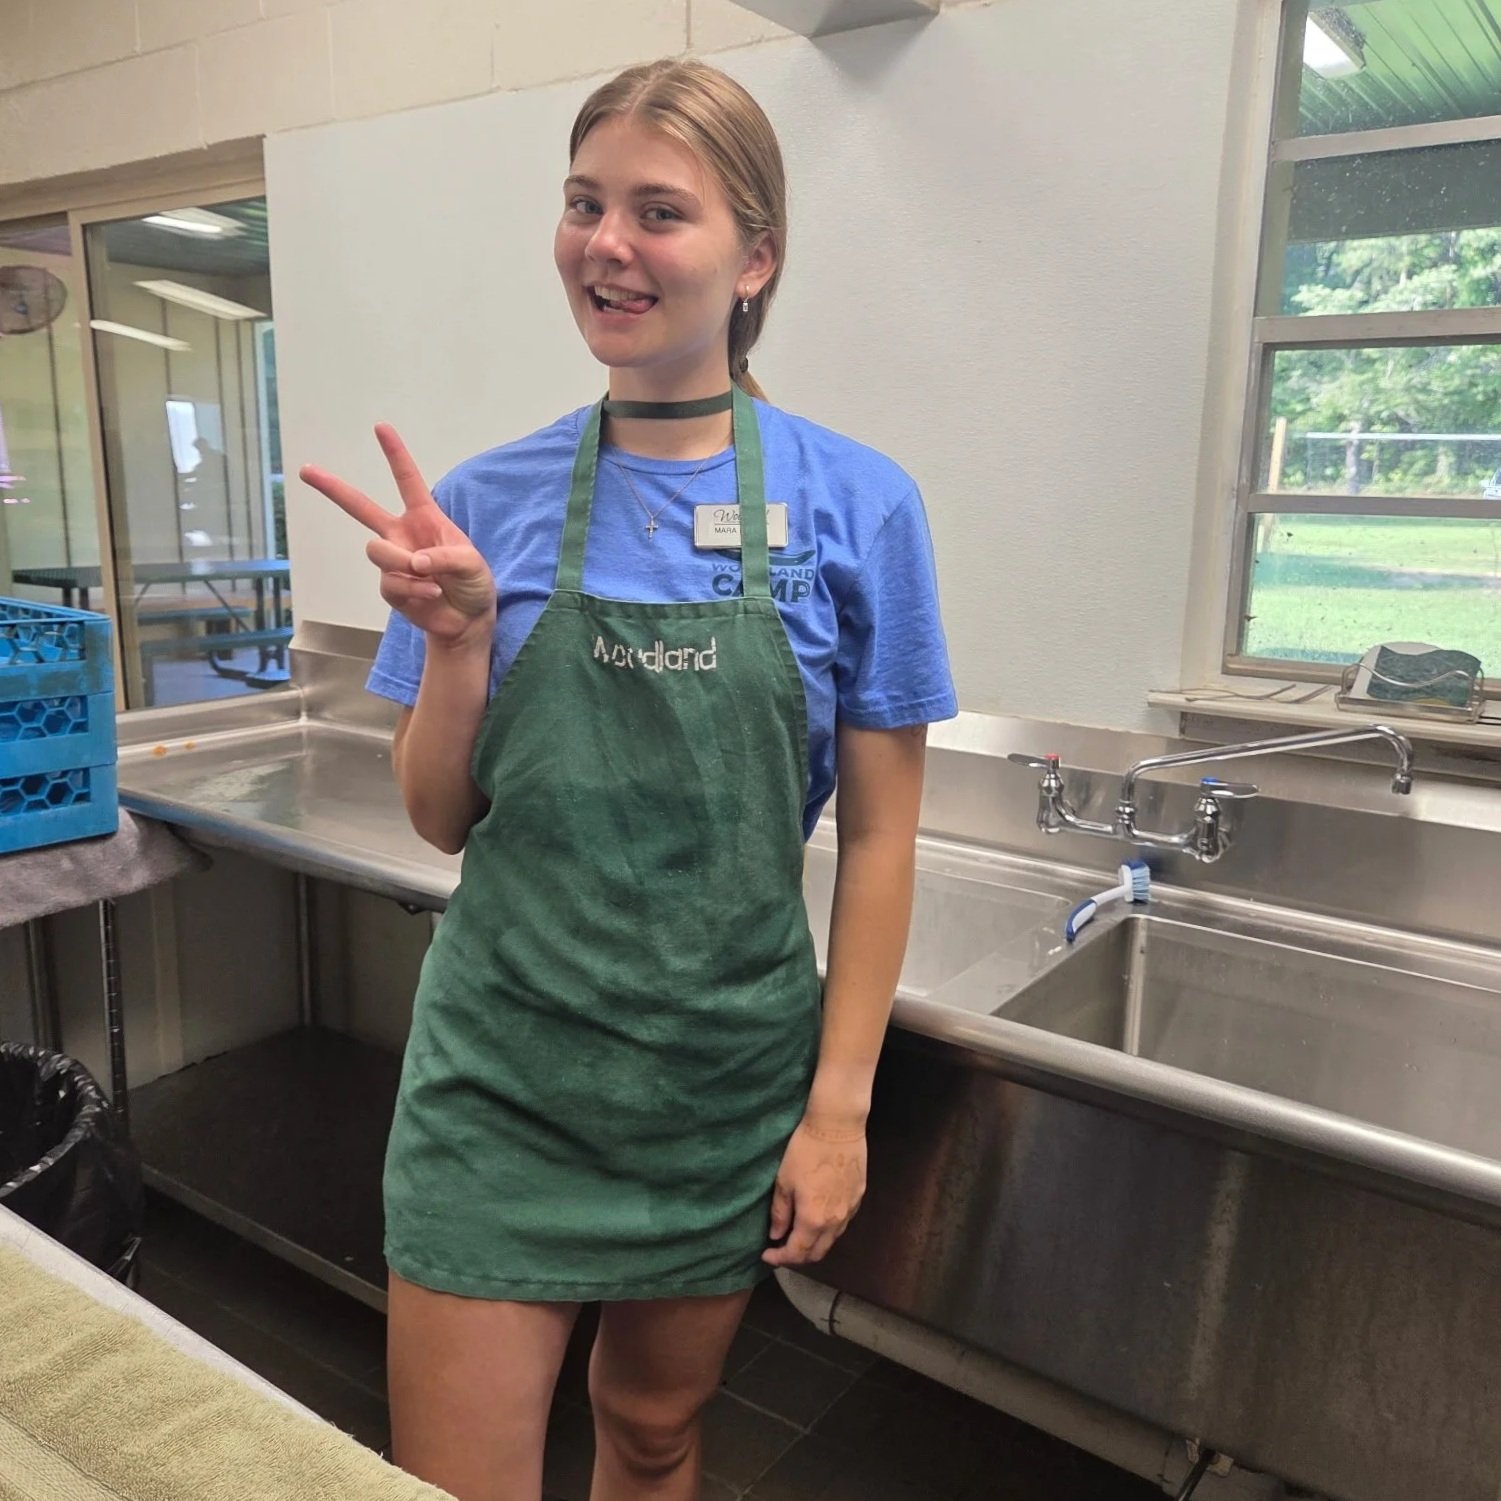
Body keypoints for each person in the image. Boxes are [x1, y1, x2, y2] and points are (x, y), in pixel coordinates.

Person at [300, 57, 956, 1501]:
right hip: (504, 1081)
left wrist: (835, 1105)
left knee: (654, 1433)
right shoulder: (479, 504)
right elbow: (438, 816)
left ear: (754, 258)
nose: (607, 243)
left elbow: (887, 837)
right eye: (584, 203)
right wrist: (458, 643)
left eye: (659, 210)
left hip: (716, 1085)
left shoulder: (858, 506)